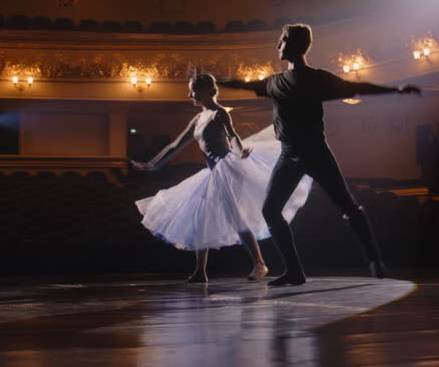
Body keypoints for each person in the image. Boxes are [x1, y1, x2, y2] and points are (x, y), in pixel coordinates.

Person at [218, 23, 421, 287]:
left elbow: (357, 87)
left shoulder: (318, 79)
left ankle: (373, 259)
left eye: (281, 41)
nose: (277, 45)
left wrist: (396, 90)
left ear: (293, 44)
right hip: (288, 155)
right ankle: (295, 272)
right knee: (270, 211)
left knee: (347, 206)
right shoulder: (274, 82)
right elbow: (243, 85)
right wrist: (217, 81)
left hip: (315, 152)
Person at [132, 72, 312, 283]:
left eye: (194, 90)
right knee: (202, 216)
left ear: (208, 91)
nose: (190, 94)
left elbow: (232, 136)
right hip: (211, 171)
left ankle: (259, 263)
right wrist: (153, 164)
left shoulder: (219, 113)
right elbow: (175, 145)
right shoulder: (198, 118)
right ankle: (200, 270)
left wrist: (240, 149)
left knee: (235, 215)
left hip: (227, 167)